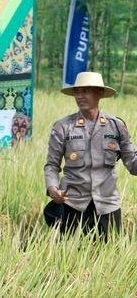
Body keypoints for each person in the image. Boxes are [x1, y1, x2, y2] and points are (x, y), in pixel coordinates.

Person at [44, 71, 137, 239]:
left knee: (110, 257)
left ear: (99, 93)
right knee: (70, 258)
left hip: (108, 206)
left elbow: (132, 163)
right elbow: (52, 165)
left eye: (86, 91)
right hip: (73, 205)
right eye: (77, 92)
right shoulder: (63, 127)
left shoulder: (116, 127)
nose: (80, 96)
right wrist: (52, 189)